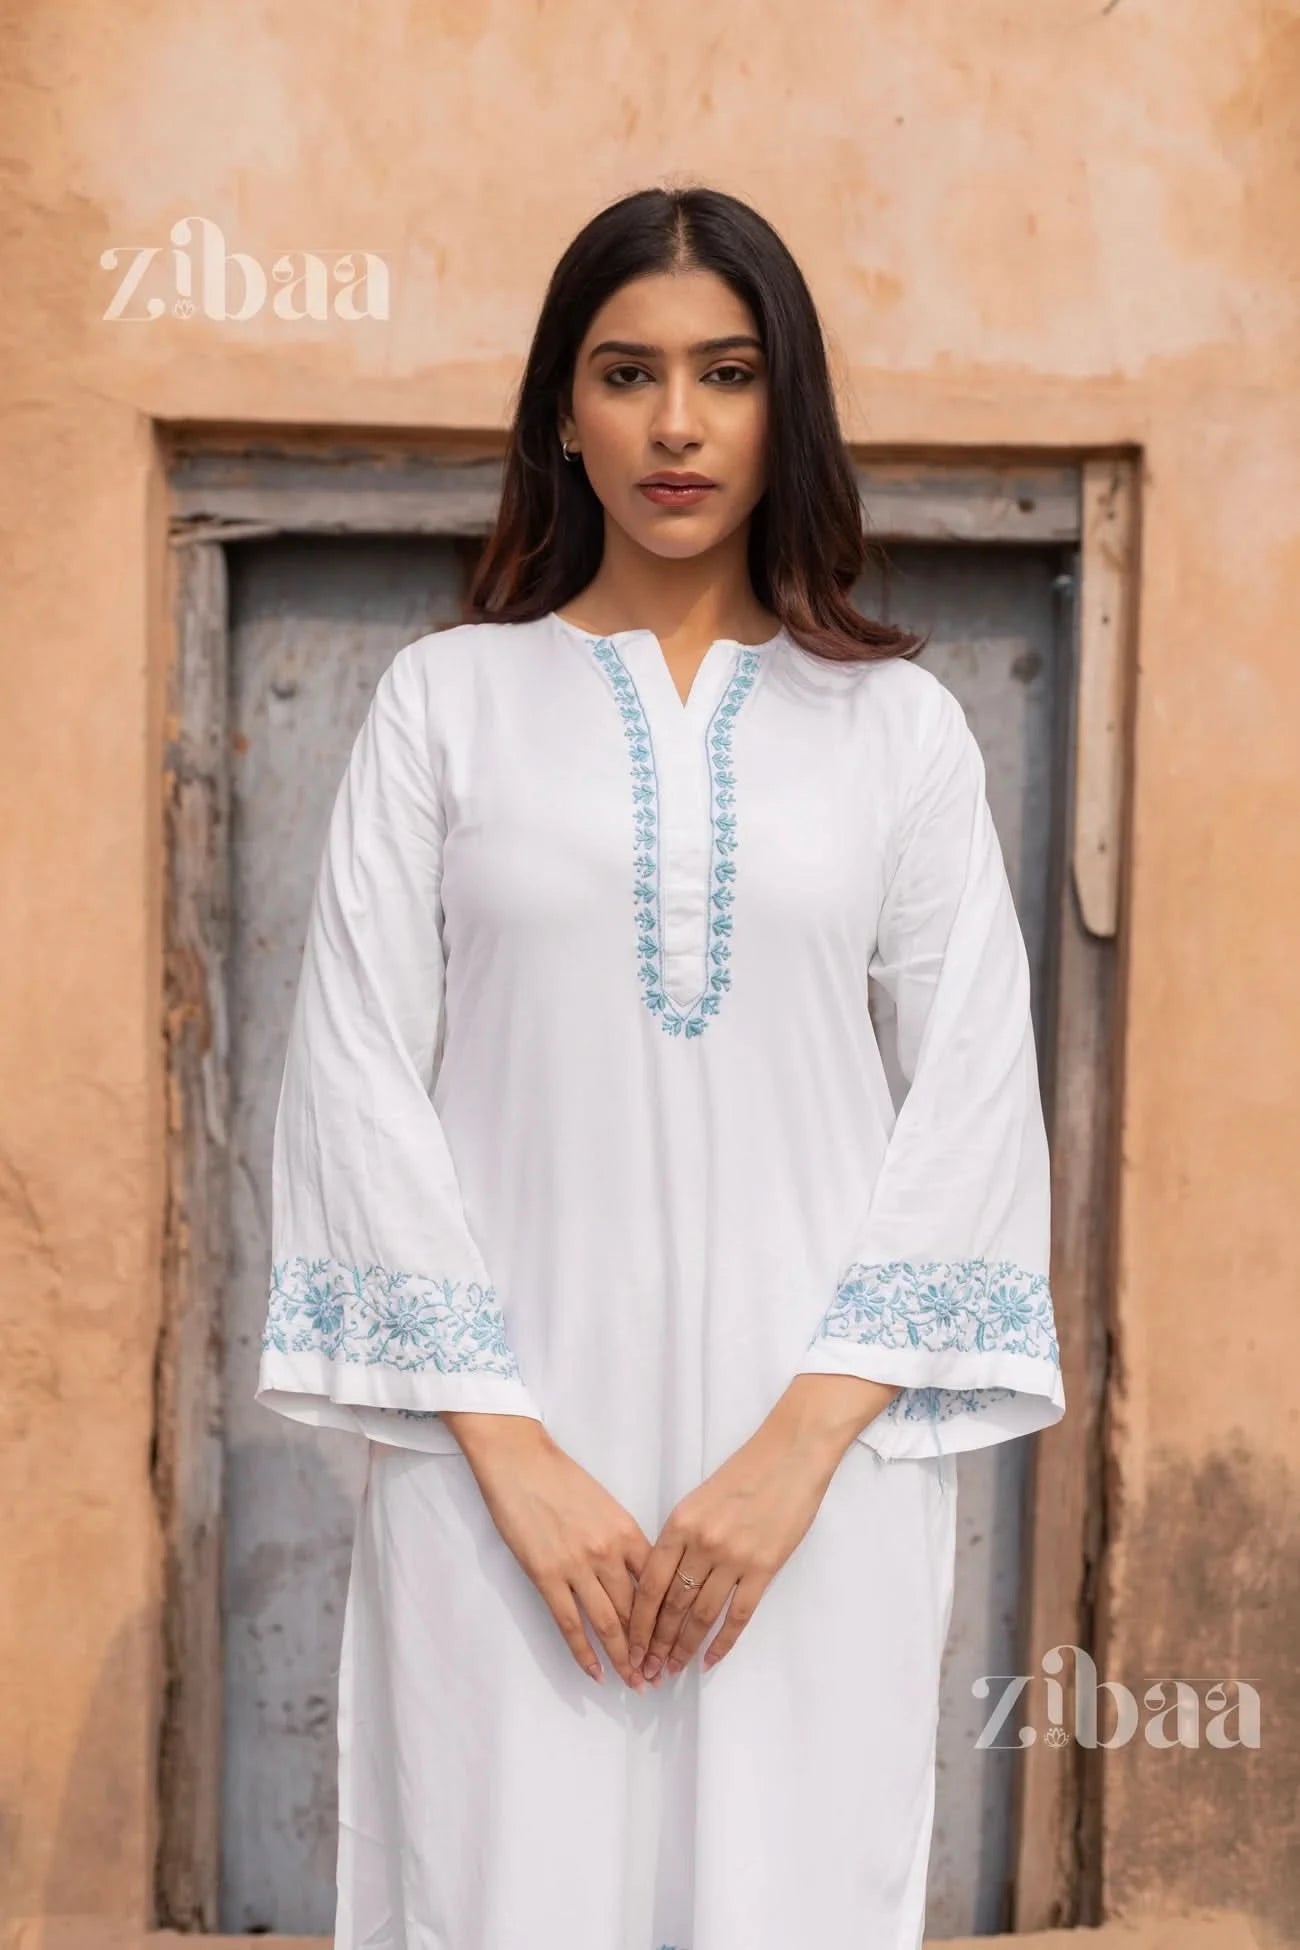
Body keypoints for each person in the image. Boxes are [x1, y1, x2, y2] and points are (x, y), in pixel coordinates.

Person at [255, 183, 1065, 1950]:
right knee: (499, 1891)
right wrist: (511, 1455)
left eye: (728, 372)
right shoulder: (445, 705)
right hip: (502, 1481)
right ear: (565, 410)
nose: (677, 423)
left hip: (811, 1484)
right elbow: (355, 1080)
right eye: (628, 373)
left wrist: (795, 1455)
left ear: (789, 409)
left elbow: (972, 1104)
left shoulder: (900, 733)